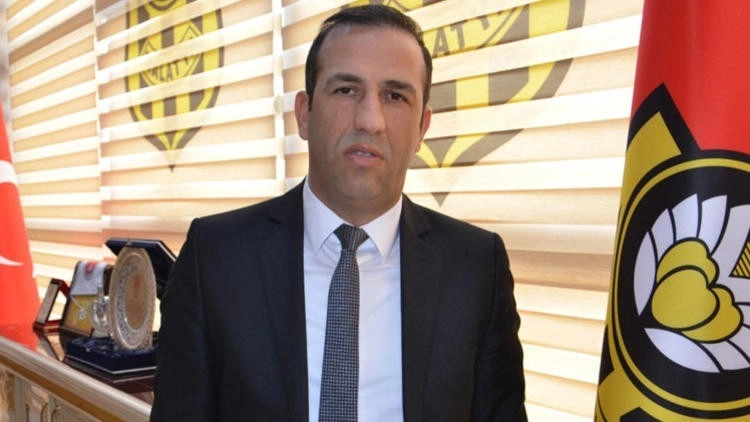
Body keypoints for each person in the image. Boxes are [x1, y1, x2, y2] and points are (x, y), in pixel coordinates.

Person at [150, 5, 526, 421]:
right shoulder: (215, 257)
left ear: (422, 127)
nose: (370, 120)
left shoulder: (477, 267)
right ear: (304, 114)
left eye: (395, 96)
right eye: (346, 90)